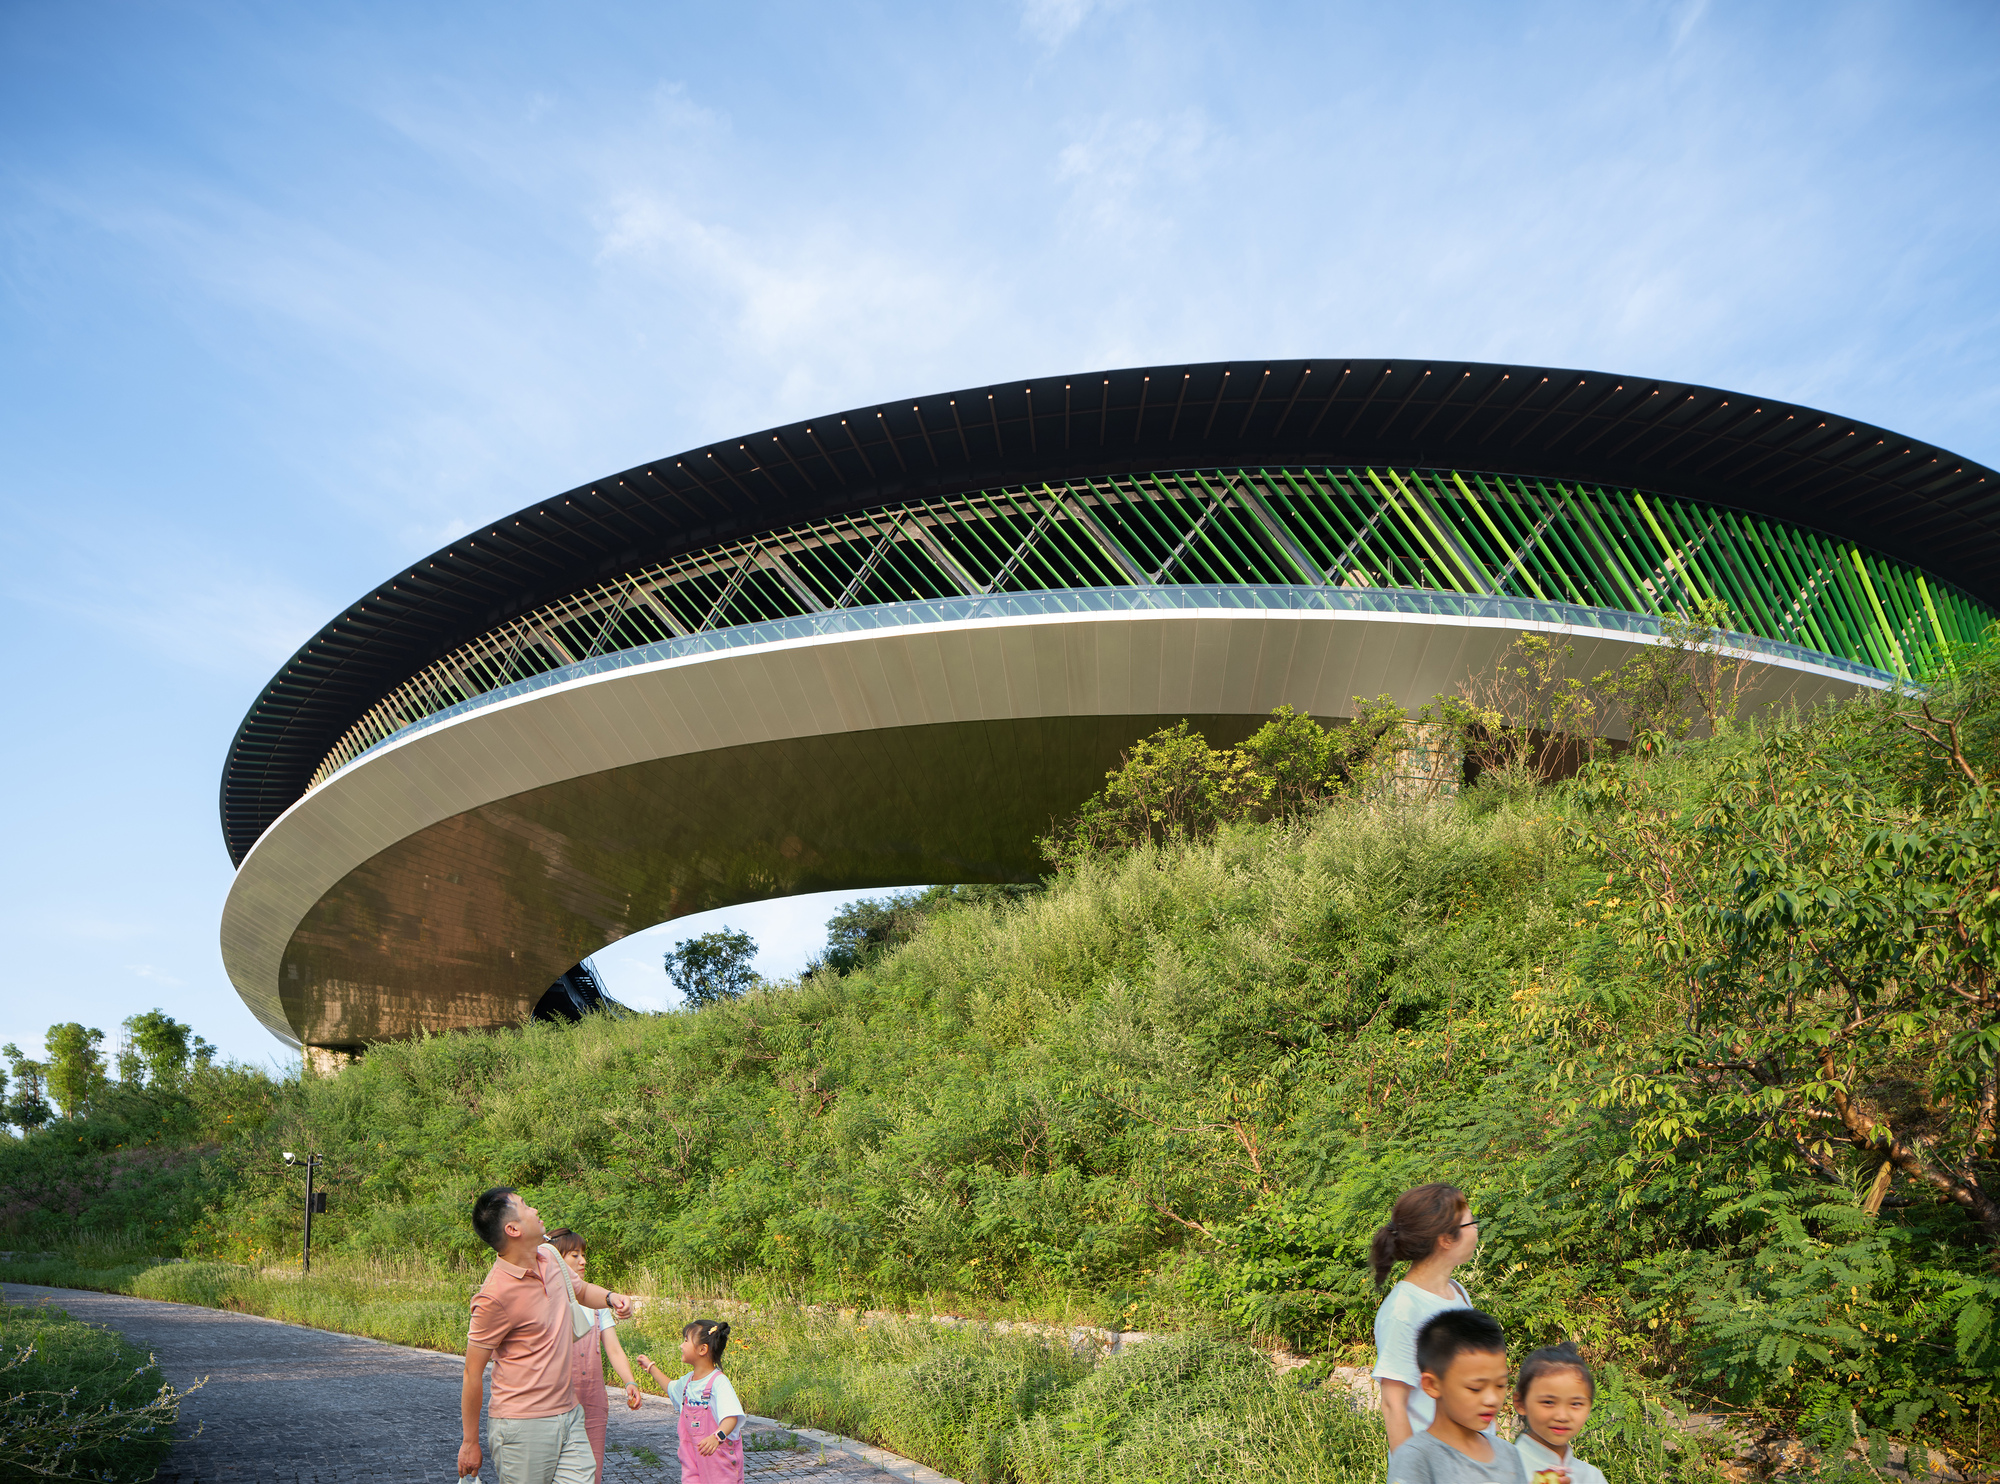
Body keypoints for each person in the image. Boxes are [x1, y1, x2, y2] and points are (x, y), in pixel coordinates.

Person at [458, 1188, 636, 1484]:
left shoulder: (550, 1257)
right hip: (521, 1426)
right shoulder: (494, 1296)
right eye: (525, 1205)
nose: (535, 1210)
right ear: (512, 1229)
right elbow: (471, 1373)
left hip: (570, 1413)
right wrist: (469, 1442)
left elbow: (581, 1290)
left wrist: (610, 1297)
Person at [1370, 1182, 1483, 1452]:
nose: (1477, 1229)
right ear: (1445, 1239)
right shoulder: (1404, 1310)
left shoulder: (1456, 1292)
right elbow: (1393, 1405)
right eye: (1471, 1223)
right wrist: (1412, 1470)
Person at [545, 1228, 643, 1483]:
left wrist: (629, 1381)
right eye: (574, 1255)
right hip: (554, 1402)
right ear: (556, 1259)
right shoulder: (545, 1299)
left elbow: (614, 1349)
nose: (583, 1261)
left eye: (583, 1254)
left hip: (593, 1402)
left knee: (591, 1472)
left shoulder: (599, 1305)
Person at [1385, 1309, 1526, 1484]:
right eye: (1475, 1388)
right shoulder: (1416, 1458)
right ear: (1432, 1385)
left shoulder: (1509, 1454)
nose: (1492, 1399)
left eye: (1500, 1385)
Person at [634, 1319, 744, 1484]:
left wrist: (717, 1437)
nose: (681, 1345)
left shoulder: (719, 1382)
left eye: (686, 1341)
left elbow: (731, 1417)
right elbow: (670, 1388)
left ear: (702, 1349)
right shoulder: (687, 1382)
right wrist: (650, 1367)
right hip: (692, 1462)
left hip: (719, 1464)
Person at [1511, 1342, 1605, 1484]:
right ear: (1520, 1403)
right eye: (1548, 1402)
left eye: (1575, 1404)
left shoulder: (1591, 1476)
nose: (1562, 1416)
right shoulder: (1502, 1468)